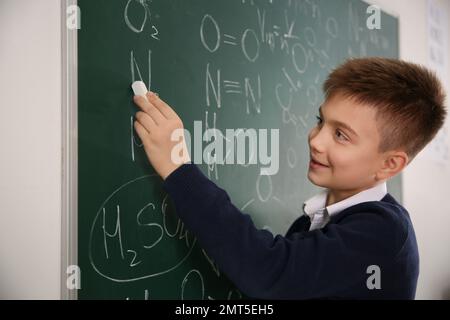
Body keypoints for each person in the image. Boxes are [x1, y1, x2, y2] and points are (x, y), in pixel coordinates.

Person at [132, 57, 447, 299]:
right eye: (320, 121)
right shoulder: (315, 223)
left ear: (389, 165)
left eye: (341, 135)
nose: (316, 140)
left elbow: (267, 271)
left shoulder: (383, 234)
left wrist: (178, 169)